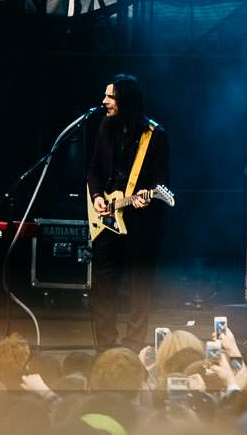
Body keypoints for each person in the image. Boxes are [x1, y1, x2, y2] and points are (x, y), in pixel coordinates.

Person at [86, 74, 171, 350]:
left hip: (140, 224)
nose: (104, 101)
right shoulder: (105, 127)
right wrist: (98, 196)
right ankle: (105, 348)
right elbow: (95, 169)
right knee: (103, 287)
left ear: (125, 100)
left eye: (110, 97)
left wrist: (148, 197)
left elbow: (162, 183)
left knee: (139, 290)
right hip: (108, 218)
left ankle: (132, 349)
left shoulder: (155, 135)